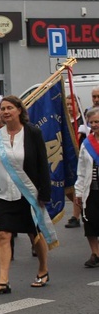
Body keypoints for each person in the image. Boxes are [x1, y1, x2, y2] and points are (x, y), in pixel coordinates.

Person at [0, 95, 54, 295]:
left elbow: (42, 165)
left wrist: (44, 193)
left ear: (19, 111)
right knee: (3, 234)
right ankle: (3, 281)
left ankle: (42, 269)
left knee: (35, 235)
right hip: (4, 194)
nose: (6, 112)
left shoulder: (32, 133)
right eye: (3, 109)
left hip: (28, 194)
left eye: (10, 108)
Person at [73, 107, 99, 268]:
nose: (95, 125)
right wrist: (79, 191)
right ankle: (95, 254)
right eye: (92, 122)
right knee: (89, 221)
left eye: (97, 121)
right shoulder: (86, 143)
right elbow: (81, 170)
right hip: (91, 189)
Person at [67, 93, 92, 229]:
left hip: (82, 157)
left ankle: (75, 216)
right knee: (70, 188)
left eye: (72, 104)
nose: (70, 107)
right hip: (69, 158)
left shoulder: (83, 120)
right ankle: (81, 207)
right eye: (67, 104)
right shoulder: (65, 120)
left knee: (80, 183)